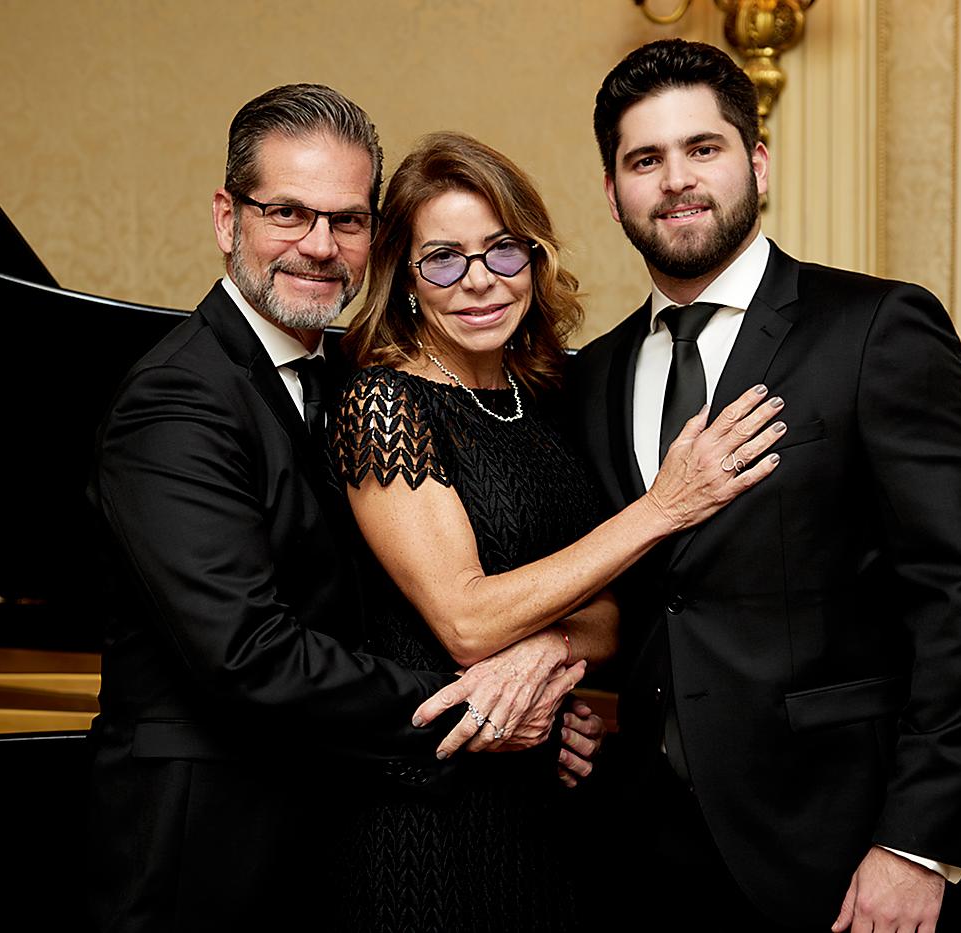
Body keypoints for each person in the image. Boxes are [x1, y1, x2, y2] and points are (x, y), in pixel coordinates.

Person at [84, 85, 596, 932]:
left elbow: (369, 611)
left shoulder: (340, 375)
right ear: (226, 217)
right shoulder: (175, 401)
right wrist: (485, 710)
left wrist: (543, 674)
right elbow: (250, 655)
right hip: (204, 844)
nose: (320, 246)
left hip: (341, 815)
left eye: (348, 220)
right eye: (288, 212)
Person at [567, 38, 961, 932]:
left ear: (757, 164)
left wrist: (917, 842)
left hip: (842, 843)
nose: (676, 180)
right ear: (612, 192)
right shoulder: (593, 375)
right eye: (644, 160)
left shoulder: (876, 328)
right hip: (643, 844)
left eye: (705, 148)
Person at [333, 130, 785, 931]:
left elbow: (611, 613)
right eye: (443, 258)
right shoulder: (384, 404)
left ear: (534, 259)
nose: (479, 283)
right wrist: (661, 509)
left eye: (502, 251)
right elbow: (467, 619)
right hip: (431, 809)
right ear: (403, 277)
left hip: (547, 794)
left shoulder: (541, 395)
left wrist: (549, 651)